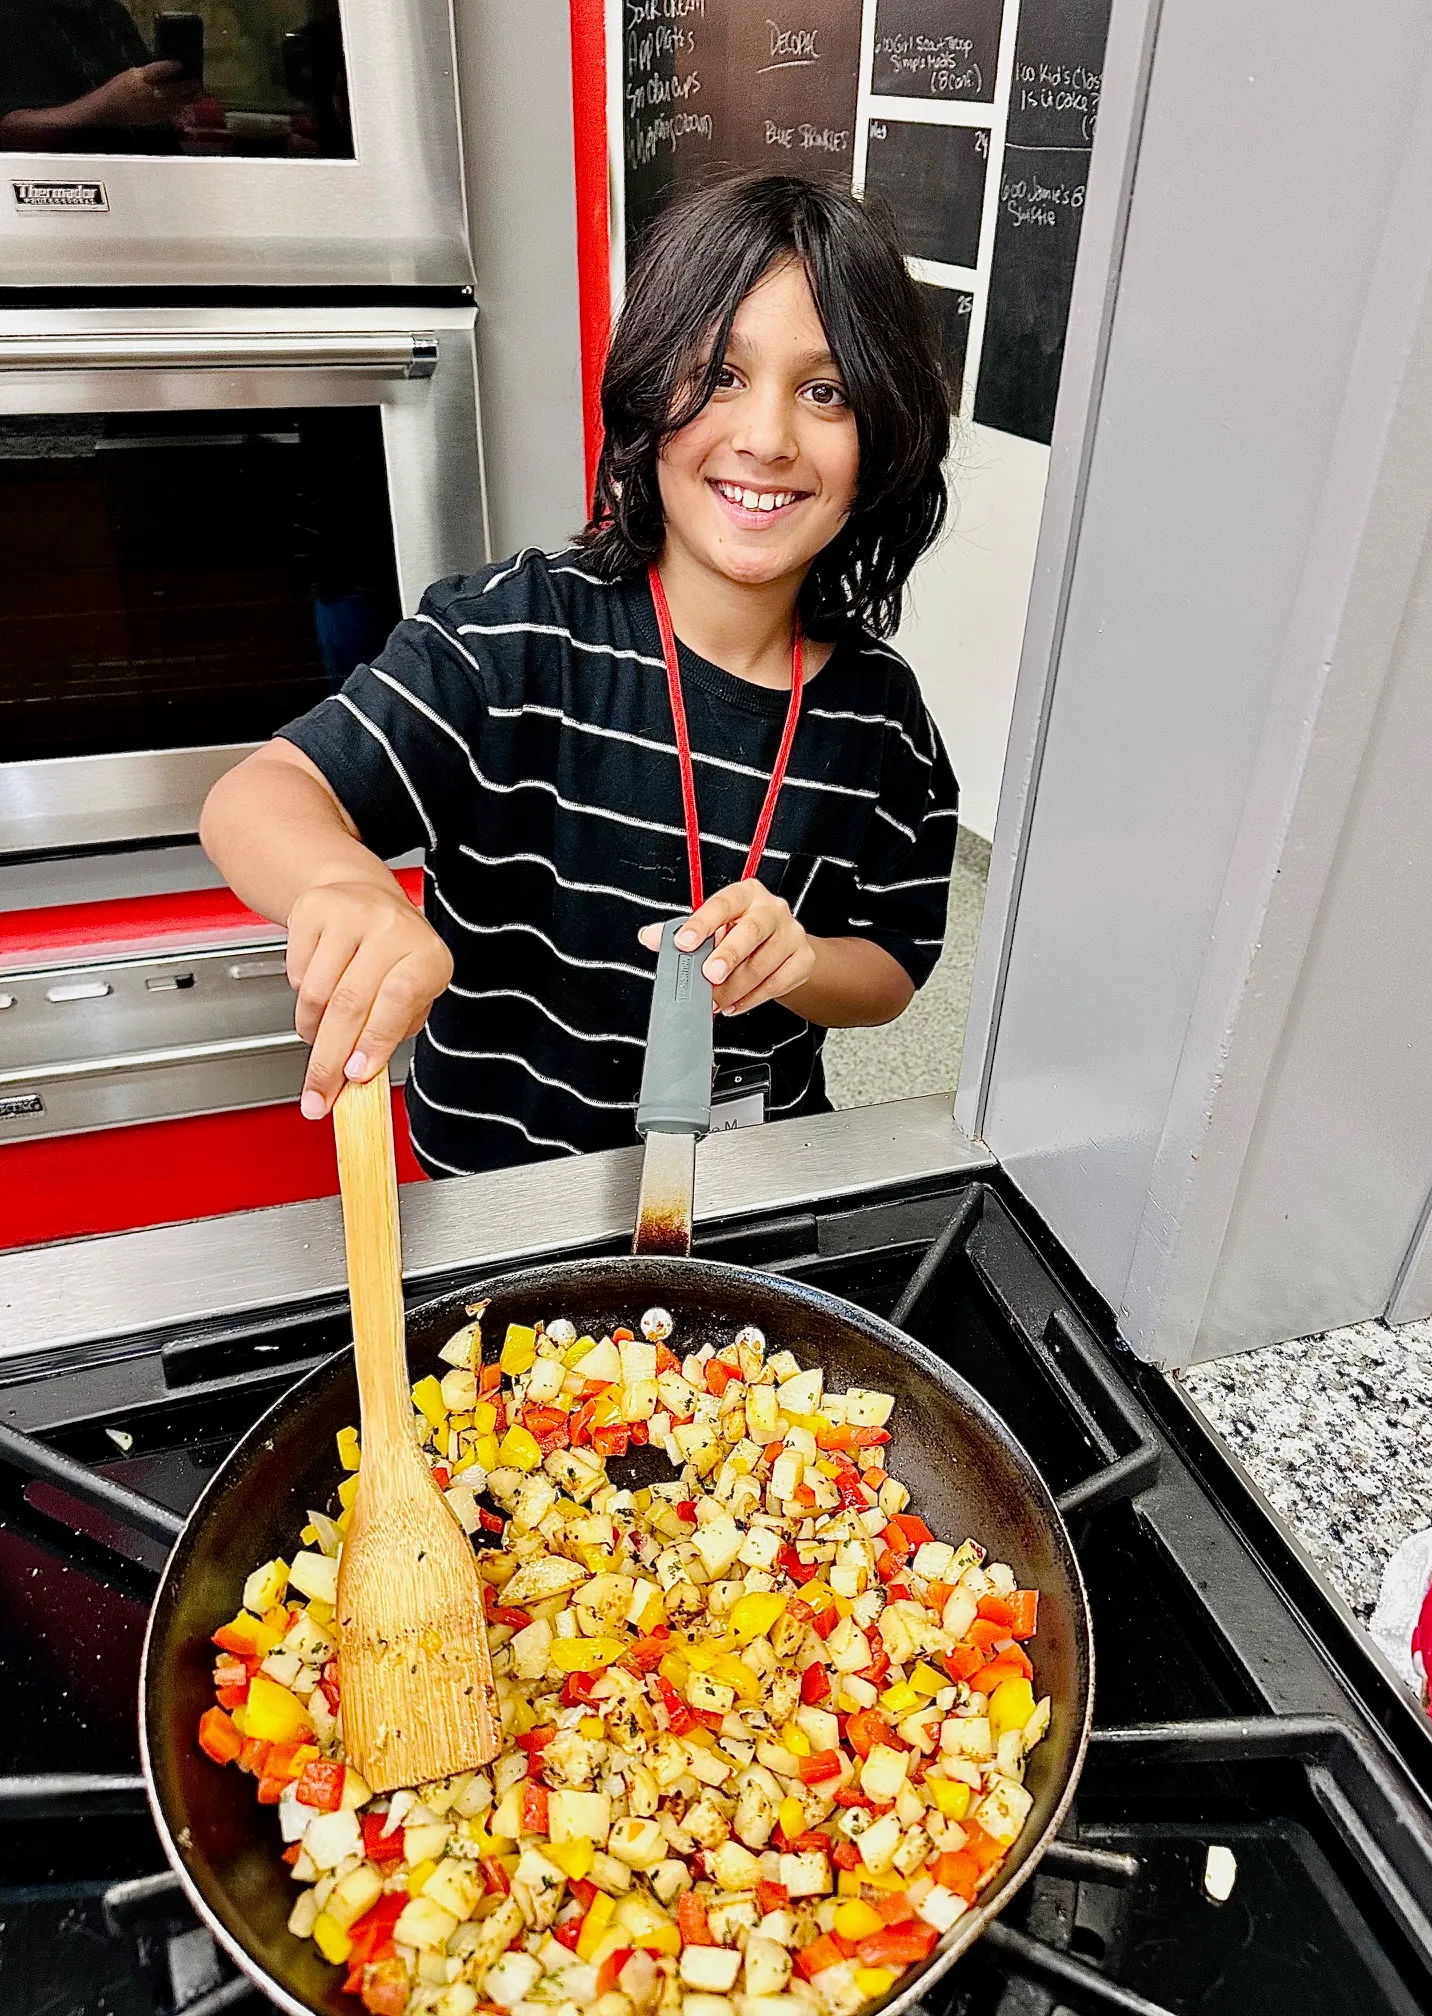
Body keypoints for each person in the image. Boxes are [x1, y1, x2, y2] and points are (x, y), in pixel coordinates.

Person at [201, 173, 958, 1178]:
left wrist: (805, 964)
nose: (769, 438)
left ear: (885, 438)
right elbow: (260, 795)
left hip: (752, 1199)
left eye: (826, 393)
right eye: (722, 376)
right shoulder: (511, 634)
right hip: (499, 1206)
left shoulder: (883, 721)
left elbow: (891, 969)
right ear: (650, 395)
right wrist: (344, 887)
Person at [0, 0, 196, 151]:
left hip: (146, 175)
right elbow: (10, 132)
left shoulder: (110, 12)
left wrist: (169, 109)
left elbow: (143, 94)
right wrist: (105, 106)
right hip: (68, 186)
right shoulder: (12, 15)